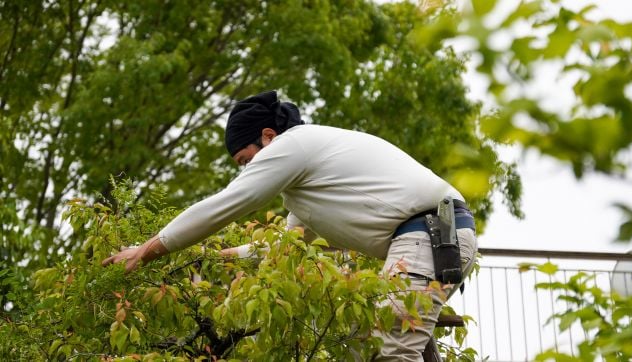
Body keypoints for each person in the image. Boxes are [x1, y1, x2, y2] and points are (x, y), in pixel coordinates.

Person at [102, 90, 478, 361]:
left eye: (245, 159)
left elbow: (226, 205)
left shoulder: (294, 145)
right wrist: (222, 256)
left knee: (389, 351)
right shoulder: (305, 188)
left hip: (430, 235)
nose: (249, 169)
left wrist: (149, 249)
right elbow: (287, 246)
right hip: (430, 237)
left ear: (268, 136)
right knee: (362, 340)